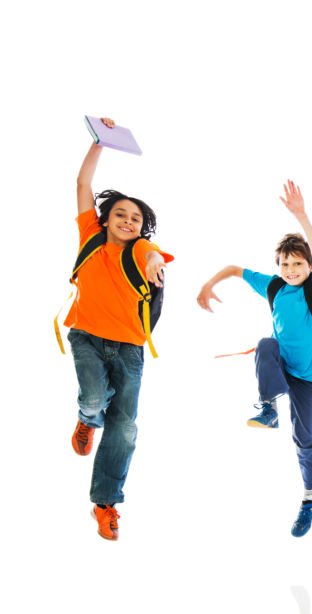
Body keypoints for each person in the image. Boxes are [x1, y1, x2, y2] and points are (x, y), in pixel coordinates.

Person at [197, 181, 312, 537]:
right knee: (264, 344)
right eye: (286, 264)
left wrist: (301, 214)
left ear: (307, 265)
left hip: (305, 376)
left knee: (304, 439)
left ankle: (308, 499)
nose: (291, 269)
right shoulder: (273, 286)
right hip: (279, 367)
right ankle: (268, 408)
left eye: (297, 263)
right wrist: (209, 284)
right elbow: (235, 269)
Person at [67, 117, 172, 541]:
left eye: (136, 218)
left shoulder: (142, 247)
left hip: (129, 346)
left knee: (125, 425)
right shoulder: (89, 235)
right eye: (120, 214)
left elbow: (153, 257)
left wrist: (153, 264)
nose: (128, 221)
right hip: (86, 335)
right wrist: (99, 142)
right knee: (94, 399)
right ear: (105, 217)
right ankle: (86, 418)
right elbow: (81, 184)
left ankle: (105, 502)